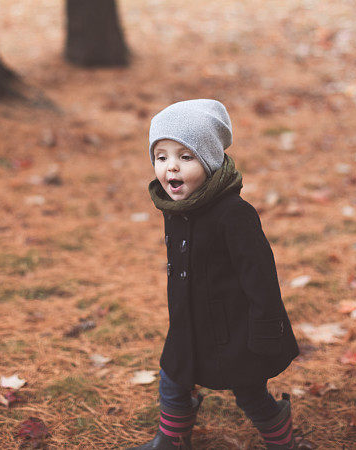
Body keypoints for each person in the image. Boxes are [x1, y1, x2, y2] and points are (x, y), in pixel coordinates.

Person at [129, 99, 314, 449]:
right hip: (190, 322)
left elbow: (261, 279)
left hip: (234, 328)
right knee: (173, 376)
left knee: (249, 391)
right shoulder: (176, 209)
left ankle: (281, 438)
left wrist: (264, 332)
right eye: (161, 157)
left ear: (210, 160)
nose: (171, 168)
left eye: (186, 157)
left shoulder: (234, 214)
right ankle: (170, 440)